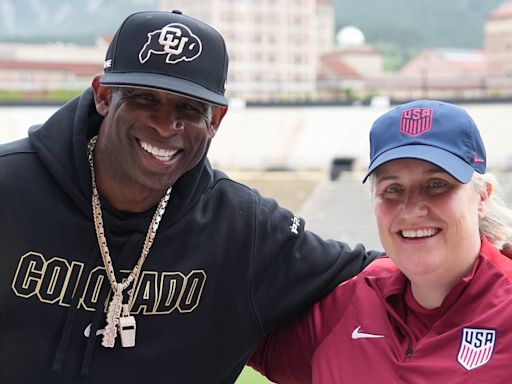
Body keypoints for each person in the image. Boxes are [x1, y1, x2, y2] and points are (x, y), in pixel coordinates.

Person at [0, 10, 379, 383]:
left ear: (215, 121)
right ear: (103, 96)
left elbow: (381, 275)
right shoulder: (9, 185)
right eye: (145, 98)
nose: (165, 125)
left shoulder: (243, 227)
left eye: (190, 108)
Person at [249, 100, 512, 383]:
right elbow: (225, 328)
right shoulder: (345, 303)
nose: (411, 209)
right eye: (393, 188)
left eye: (437, 184)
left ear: (482, 196)